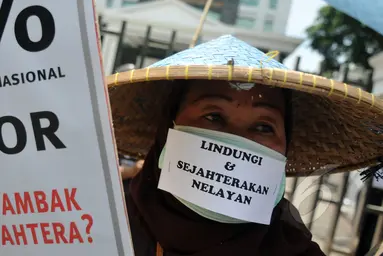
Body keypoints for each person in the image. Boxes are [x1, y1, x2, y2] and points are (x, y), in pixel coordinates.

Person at [107, 35, 383, 256]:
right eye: (213, 116)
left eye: (264, 127)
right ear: (168, 128)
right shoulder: (98, 223)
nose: (239, 141)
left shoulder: (294, 251)